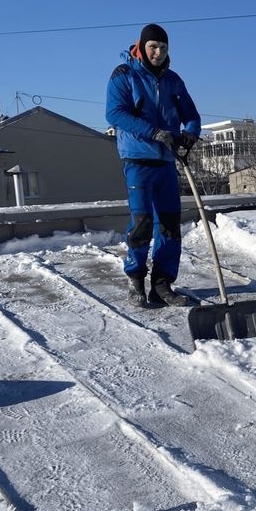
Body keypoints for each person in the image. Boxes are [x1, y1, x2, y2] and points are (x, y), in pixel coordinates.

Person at [106, 24, 201, 307]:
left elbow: (191, 115)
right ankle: (135, 278)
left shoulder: (173, 80)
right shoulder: (124, 75)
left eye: (163, 48)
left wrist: (190, 135)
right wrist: (155, 132)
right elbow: (114, 113)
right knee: (143, 222)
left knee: (170, 224)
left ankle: (162, 284)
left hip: (166, 160)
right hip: (137, 158)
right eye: (153, 47)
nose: (158, 53)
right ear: (142, 47)